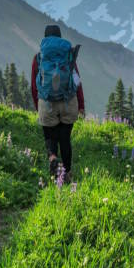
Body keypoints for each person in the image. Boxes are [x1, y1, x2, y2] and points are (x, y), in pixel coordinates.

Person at [31, 25, 84, 182]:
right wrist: (81, 105)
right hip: (68, 102)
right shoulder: (67, 55)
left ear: (45, 38)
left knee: (50, 136)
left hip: (47, 104)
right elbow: (77, 81)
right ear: (60, 38)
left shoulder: (39, 58)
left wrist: (38, 105)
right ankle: (67, 173)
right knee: (65, 138)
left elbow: (34, 86)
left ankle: (53, 157)